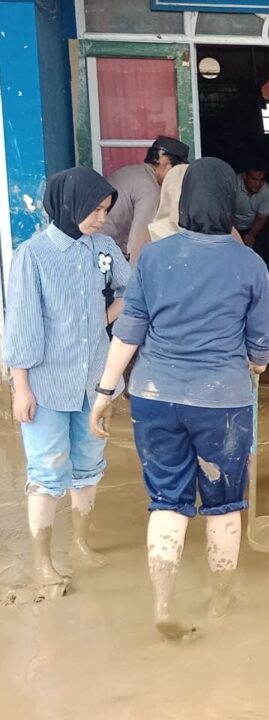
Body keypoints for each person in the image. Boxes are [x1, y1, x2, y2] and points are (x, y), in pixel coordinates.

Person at [89, 158, 269, 640]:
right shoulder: (249, 264)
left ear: (183, 201)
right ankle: (220, 600)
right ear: (231, 202)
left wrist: (105, 391)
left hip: (154, 397)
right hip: (222, 403)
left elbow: (129, 331)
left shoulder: (153, 257)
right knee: (224, 505)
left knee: (167, 502)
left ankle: (163, 603)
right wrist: (255, 365)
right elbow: (262, 345)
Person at [3, 167, 130, 600]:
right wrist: (21, 387)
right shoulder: (33, 255)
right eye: (95, 210)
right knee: (47, 468)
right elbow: (21, 326)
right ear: (67, 205)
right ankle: (43, 562)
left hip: (94, 381)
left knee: (89, 463)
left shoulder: (104, 248)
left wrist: (102, 318)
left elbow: (132, 291)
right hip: (46, 384)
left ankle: (80, 542)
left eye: (106, 210)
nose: (101, 219)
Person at [102, 136, 190, 264]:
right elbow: (138, 244)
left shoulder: (130, 172)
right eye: (178, 172)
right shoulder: (151, 189)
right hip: (107, 255)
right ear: (166, 164)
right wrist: (135, 274)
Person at [233, 156, 269, 248]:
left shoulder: (267, 193)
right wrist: (235, 235)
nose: (258, 184)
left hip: (253, 228)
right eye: (254, 179)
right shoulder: (233, 185)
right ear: (244, 176)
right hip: (230, 225)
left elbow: (261, 218)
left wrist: (251, 235)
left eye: (261, 180)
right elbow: (226, 212)